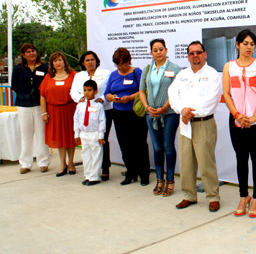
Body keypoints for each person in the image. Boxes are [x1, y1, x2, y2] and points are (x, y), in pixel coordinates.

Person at [168, 41, 222, 212]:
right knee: (186, 162)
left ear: (205, 54)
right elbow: (172, 94)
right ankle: (189, 195)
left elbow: (212, 99)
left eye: (198, 52)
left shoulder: (212, 74)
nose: (195, 56)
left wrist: (192, 112)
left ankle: (213, 196)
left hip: (203, 123)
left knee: (206, 162)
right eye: (192, 53)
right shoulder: (182, 74)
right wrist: (181, 110)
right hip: (184, 123)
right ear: (188, 56)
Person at [222, 29, 256, 218]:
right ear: (237, 44)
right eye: (245, 43)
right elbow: (226, 94)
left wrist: (254, 117)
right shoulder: (229, 67)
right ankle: (244, 196)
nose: (249, 47)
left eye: (252, 44)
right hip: (236, 120)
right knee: (241, 159)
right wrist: (237, 115)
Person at [139, 39, 181, 197]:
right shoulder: (148, 69)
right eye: (155, 50)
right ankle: (159, 179)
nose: (158, 52)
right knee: (157, 148)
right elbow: (142, 90)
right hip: (151, 114)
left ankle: (170, 180)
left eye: (161, 49)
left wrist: (163, 107)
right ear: (151, 52)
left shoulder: (174, 68)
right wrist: (147, 107)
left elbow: (177, 91)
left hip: (169, 113)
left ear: (166, 50)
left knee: (168, 146)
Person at [105, 47, 150, 186]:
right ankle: (131, 172)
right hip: (118, 113)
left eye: (124, 63)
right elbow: (107, 93)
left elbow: (144, 90)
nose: (122, 67)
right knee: (124, 144)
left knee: (139, 144)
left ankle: (144, 174)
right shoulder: (113, 75)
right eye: (118, 64)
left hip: (136, 113)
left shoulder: (137, 72)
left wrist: (130, 97)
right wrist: (113, 97)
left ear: (129, 61)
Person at [70, 50, 113, 181]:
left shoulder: (105, 73)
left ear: (97, 61)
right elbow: (73, 91)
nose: (90, 62)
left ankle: (104, 167)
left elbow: (109, 90)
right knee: (89, 143)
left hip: (104, 110)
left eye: (92, 59)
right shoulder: (79, 76)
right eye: (87, 60)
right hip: (85, 111)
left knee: (102, 139)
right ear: (83, 63)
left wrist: (102, 99)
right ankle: (91, 172)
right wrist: (81, 98)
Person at [11, 43, 50, 174]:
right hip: (23, 105)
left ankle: (43, 162)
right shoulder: (18, 69)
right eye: (28, 52)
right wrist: (25, 94)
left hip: (40, 105)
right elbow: (14, 85)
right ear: (23, 55)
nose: (31, 53)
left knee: (41, 134)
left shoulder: (44, 68)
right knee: (26, 135)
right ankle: (26, 163)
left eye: (33, 50)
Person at [39, 52, 77, 176]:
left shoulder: (73, 75)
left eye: (60, 60)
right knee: (59, 137)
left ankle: (71, 163)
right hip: (54, 111)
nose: (58, 63)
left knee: (70, 136)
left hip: (70, 109)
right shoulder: (48, 77)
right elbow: (43, 96)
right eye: (55, 61)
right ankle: (62, 164)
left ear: (64, 61)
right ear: (52, 64)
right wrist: (44, 112)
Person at [73, 80, 106, 186]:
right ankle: (88, 175)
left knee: (96, 155)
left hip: (94, 133)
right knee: (86, 155)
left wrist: (101, 135)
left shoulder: (98, 105)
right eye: (85, 90)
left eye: (90, 90)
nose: (87, 93)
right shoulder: (80, 105)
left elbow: (102, 121)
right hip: (84, 133)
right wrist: (76, 134)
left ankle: (95, 176)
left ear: (95, 91)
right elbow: (76, 120)